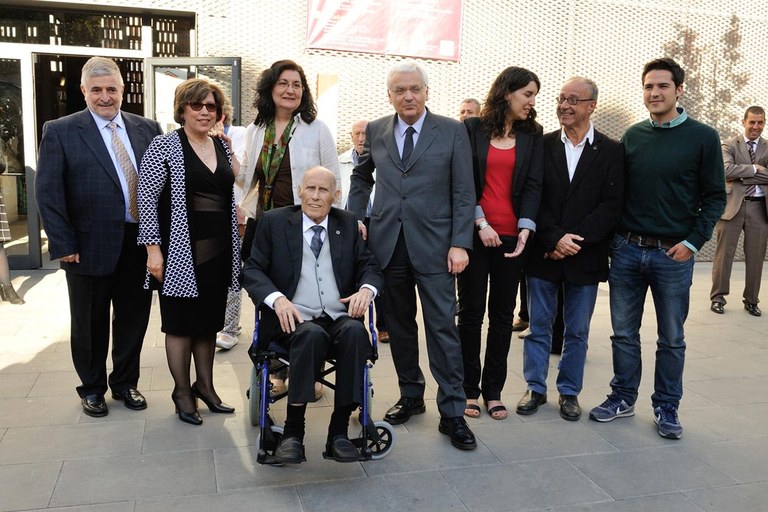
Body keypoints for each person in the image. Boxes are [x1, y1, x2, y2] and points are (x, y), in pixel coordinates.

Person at [589, 58, 726, 439]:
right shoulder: (634, 136)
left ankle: (667, 406)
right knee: (623, 333)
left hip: (673, 256)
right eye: (648, 86)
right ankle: (622, 396)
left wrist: (692, 242)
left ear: (678, 90)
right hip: (628, 251)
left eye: (662, 86)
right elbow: (617, 193)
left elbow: (715, 197)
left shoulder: (703, 137)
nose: (654, 93)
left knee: (671, 338)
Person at [348, 60, 478, 450]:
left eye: (415, 89)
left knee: (442, 327)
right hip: (388, 245)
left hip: (438, 246)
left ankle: (453, 411)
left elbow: (463, 190)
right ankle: (411, 395)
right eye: (400, 90)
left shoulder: (453, 131)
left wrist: (460, 242)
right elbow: (360, 176)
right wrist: (357, 217)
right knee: (400, 327)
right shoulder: (377, 130)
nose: (408, 96)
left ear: (426, 92)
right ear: (389, 95)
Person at [35, 57, 161, 417]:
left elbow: (161, 187)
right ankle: (92, 388)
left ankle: (125, 384)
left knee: (134, 318)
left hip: (139, 244)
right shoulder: (60, 130)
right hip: (87, 247)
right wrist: (63, 243)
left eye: (111, 89)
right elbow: (48, 192)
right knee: (89, 323)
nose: (105, 97)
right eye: (96, 90)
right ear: (84, 91)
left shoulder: (146, 128)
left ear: (122, 90)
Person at [242, 166, 383, 464]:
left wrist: (366, 290)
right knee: (310, 333)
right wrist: (277, 300)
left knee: (356, 332)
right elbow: (252, 270)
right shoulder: (274, 222)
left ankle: (339, 433)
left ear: (336, 195)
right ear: (299, 191)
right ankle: (294, 432)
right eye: (310, 189)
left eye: (323, 191)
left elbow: (369, 266)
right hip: (292, 320)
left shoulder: (347, 223)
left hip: (337, 317)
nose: (316, 197)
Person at [517, 77, 624, 421]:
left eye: (573, 100)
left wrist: (574, 240)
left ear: (591, 106)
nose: (564, 105)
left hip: (585, 256)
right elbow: (533, 196)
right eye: (561, 98)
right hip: (545, 253)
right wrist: (553, 238)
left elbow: (611, 204)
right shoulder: (541, 145)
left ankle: (568, 392)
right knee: (539, 327)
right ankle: (534, 387)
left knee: (577, 331)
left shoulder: (611, 151)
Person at [138, 78, 241, 426]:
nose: (204, 111)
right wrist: (153, 251)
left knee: (208, 324)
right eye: (197, 105)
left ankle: (206, 388)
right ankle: (182, 392)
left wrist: (228, 143)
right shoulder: (164, 145)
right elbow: (147, 201)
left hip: (219, 250)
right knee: (181, 325)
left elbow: (236, 180)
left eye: (211, 106)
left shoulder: (222, 147)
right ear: (183, 109)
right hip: (180, 251)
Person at [238, 59, 340, 399]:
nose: (290, 90)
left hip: (303, 225)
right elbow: (247, 179)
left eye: (297, 84)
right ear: (271, 88)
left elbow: (333, 180)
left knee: (304, 293)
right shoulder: (256, 129)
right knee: (270, 297)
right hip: (265, 225)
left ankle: (306, 369)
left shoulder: (316, 128)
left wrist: (339, 224)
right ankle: (278, 370)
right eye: (284, 83)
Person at [458, 66, 543, 421]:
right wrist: (480, 222)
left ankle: (493, 391)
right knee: (471, 314)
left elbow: (535, 183)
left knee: (502, 318)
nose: (532, 101)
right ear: (507, 92)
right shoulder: (471, 128)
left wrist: (526, 229)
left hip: (513, 240)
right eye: (527, 94)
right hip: (477, 235)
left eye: (535, 95)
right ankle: (468, 390)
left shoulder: (533, 133)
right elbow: (461, 181)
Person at [710, 106, 768, 317]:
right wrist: (755, 169)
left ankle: (751, 300)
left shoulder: (767, 146)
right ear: (743, 122)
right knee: (723, 255)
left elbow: (733, 173)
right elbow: (724, 170)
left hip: (759, 208)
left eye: (760, 122)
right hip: (732, 207)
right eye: (752, 122)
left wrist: (739, 175)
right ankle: (718, 298)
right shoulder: (728, 144)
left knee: (756, 257)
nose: (756, 126)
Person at [339, 119, 390, 343]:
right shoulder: (340, 161)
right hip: (349, 222)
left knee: (379, 268)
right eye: (357, 134)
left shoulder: (383, 158)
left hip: (378, 222)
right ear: (351, 136)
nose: (361, 138)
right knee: (351, 271)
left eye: (365, 134)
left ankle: (384, 325)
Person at [215, 98, 248, 350]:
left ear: (222, 116)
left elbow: (246, 178)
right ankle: (212, 324)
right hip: (209, 218)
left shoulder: (241, 136)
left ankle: (230, 327)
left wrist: (242, 210)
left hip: (238, 215)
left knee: (234, 271)